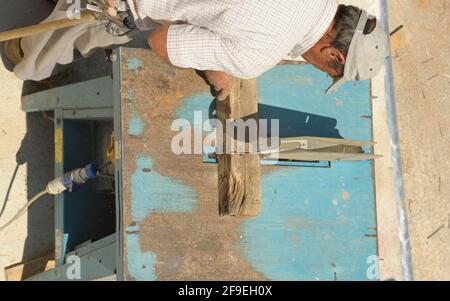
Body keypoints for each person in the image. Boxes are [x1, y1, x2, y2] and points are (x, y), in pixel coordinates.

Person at [3, 0, 389, 99]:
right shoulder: (258, 55)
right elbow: (160, 42)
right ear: (334, 56)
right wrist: (214, 65)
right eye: (329, 73)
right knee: (40, 55)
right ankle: (23, 50)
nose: (321, 72)